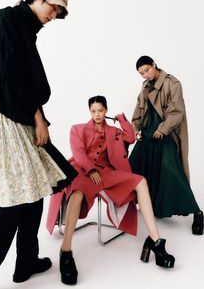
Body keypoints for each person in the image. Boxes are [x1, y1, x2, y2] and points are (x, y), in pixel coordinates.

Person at [0, 0, 78, 289]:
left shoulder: (24, 27)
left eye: (59, 10)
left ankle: (26, 261)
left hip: (25, 114)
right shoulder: (5, 20)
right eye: (53, 7)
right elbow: (8, 77)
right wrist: (38, 118)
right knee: (14, 200)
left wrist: (39, 116)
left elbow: (25, 79)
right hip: (11, 115)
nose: (54, 14)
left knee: (36, 188)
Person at [46, 95, 175, 285]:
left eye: (100, 110)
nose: (97, 114)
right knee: (77, 193)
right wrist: (90, 170)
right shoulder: (77, 129)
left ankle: (156, 241)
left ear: (106, 110)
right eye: (93, 111)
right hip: (82, 170)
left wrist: (121, 119)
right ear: (89, 111)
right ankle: (66, 251)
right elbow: (78, 153)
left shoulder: (114, 131)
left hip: (106, 172)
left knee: (141, 182)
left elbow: (130, 137)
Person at [129, 55, 203, 235]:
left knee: (173, 173)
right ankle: (143, 206)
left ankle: (198, 213)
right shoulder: (145, 86)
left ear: (154, 65)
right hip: (148, 133)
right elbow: (139, 108)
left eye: (147, 70)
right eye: (141, 73)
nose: (145, 75)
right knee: (133, 167)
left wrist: (163, 129)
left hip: (167, 134)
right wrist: (134, 128)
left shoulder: (173, 83)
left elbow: (177, 112)